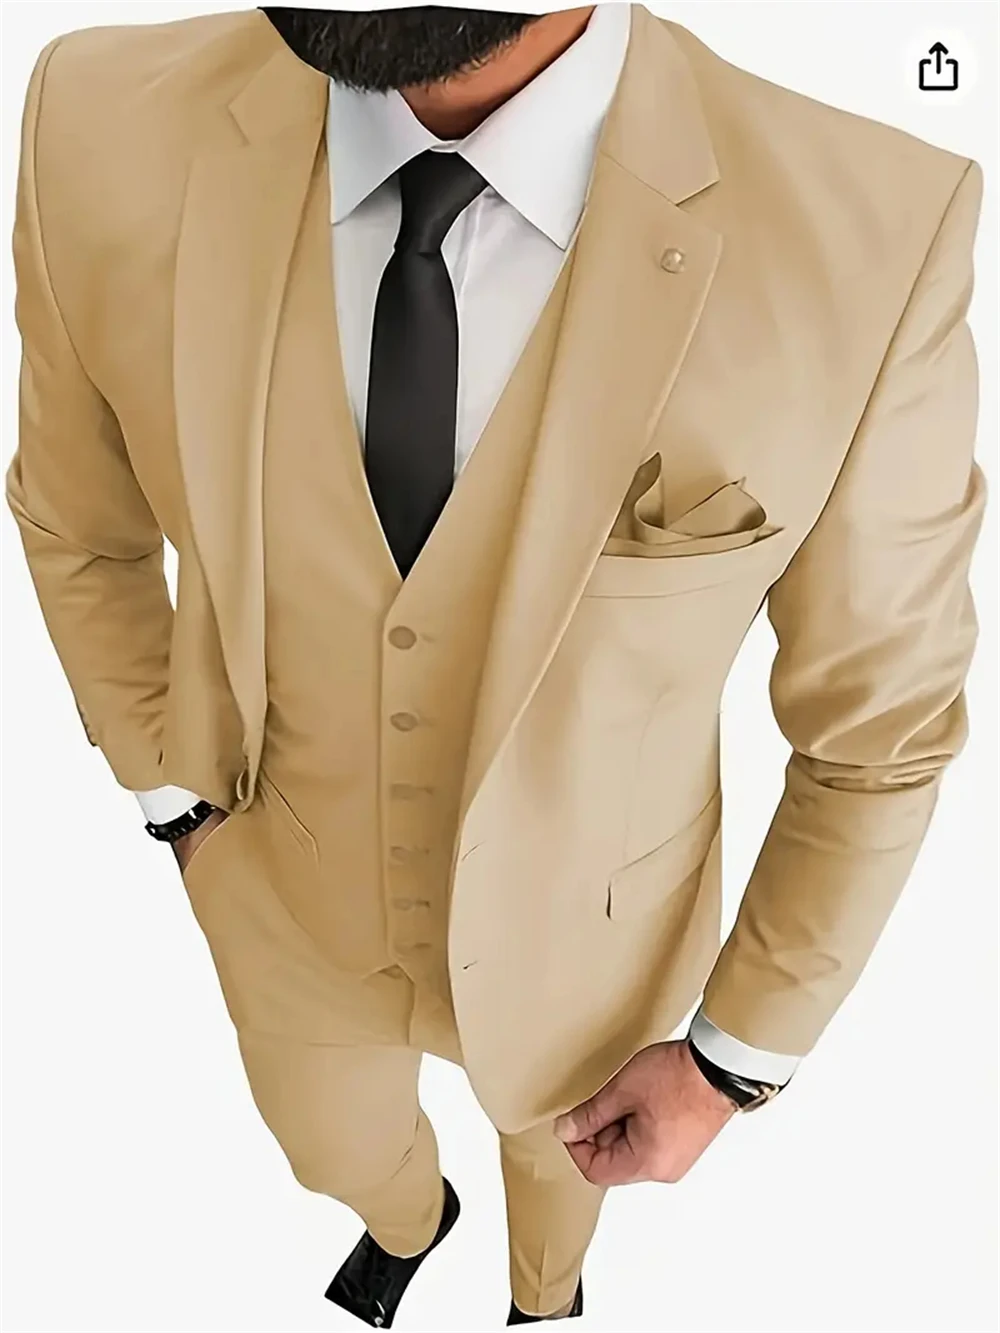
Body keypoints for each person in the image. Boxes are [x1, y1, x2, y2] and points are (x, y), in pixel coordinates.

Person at [7, 3, 985, 1327]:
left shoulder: (871, 234)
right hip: (279, 900)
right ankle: (410, 1221)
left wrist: (730, 1059)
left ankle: (544, 1296)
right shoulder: (95, 119)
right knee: (331, 1152)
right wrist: (176, 808)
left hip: (597, 951)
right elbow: (79, 523)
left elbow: (879, 736)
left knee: (566, 1189)